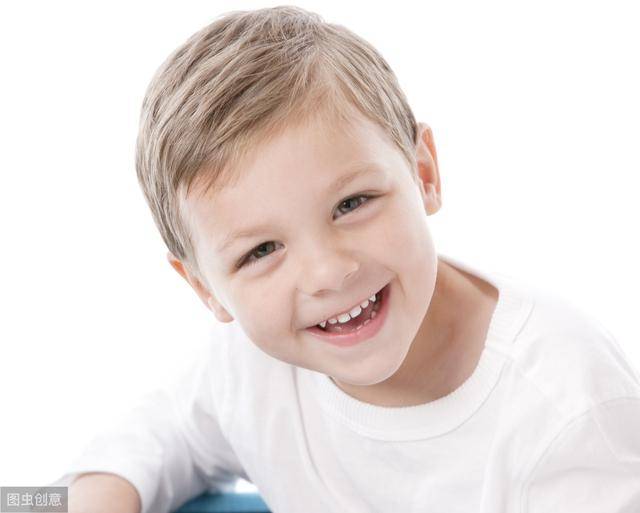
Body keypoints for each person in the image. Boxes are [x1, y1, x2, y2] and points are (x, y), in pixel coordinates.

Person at [52, 6, 640, 513]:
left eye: (351, 204)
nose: (327, 272)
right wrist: (99, 494)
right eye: (261, 251)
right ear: (205, 288)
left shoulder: (565, 402)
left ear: (424, 173)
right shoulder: (250, 371)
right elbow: (154, 439)